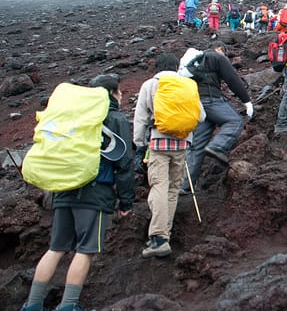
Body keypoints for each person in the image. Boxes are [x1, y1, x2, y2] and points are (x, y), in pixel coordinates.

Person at [21, 74, 134, 311]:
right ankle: (68, 305)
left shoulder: (72, 115)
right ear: (112, 93)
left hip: (64, 189)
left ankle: (32, 305)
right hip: (95, 193)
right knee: (86, 250)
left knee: (56, 248)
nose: (122, 96)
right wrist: (126, 202)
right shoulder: (114, 118)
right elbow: (124, 164)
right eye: (120, 92)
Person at [133, 53, 205, 258]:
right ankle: (166, 233)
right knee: (173, 189)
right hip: (182, 143)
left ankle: (158, 238)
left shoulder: (150, 85)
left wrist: (139, 143)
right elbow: (201, 116)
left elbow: (140, 117)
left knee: (159, 186)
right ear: (176, 67)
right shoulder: (187, 84)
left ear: (157, 67)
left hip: (158, 143)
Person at [179, 41, 253, 197]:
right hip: (211, 100)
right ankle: (218, 146)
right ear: (219, 49)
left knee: (197, 145)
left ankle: (186, 185)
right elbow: (232, 79)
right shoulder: (216, 57)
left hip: (195, 104)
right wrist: (246, 100)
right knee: (235, 121)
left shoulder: (194, 62)